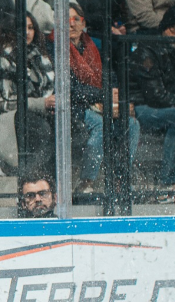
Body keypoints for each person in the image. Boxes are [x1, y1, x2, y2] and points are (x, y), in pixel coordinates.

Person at [65, 3, 140, 199]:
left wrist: (114, 91)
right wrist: (104, 94)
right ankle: (86, 182)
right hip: (74, 107)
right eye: (66, 20)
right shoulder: (55, 48)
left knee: (131, 124)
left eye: (76, 19)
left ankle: (120, 179)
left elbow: (109, 74)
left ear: (84, 23)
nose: (71, 24)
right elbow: (70, 89)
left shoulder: (93, 45)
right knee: (101, 125)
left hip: (98, 103)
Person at [0, 14, 56, 177]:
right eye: (22, 28)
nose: (27, 32)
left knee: (75, 129)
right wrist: (42, 103)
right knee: (42, 129)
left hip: (31, 113)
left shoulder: (38, 56)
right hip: (3, 118)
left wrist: (49, 104)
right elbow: (2, 103)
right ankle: (22, 174)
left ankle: (23, 173)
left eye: (31, 28)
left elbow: (46, 90)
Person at [130, 5, 175, 201]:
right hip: (142, 108)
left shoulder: (170, 50)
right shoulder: (148, 50)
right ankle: (167, 182)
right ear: (170, 29)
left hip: (167, 107)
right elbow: (155, 96)